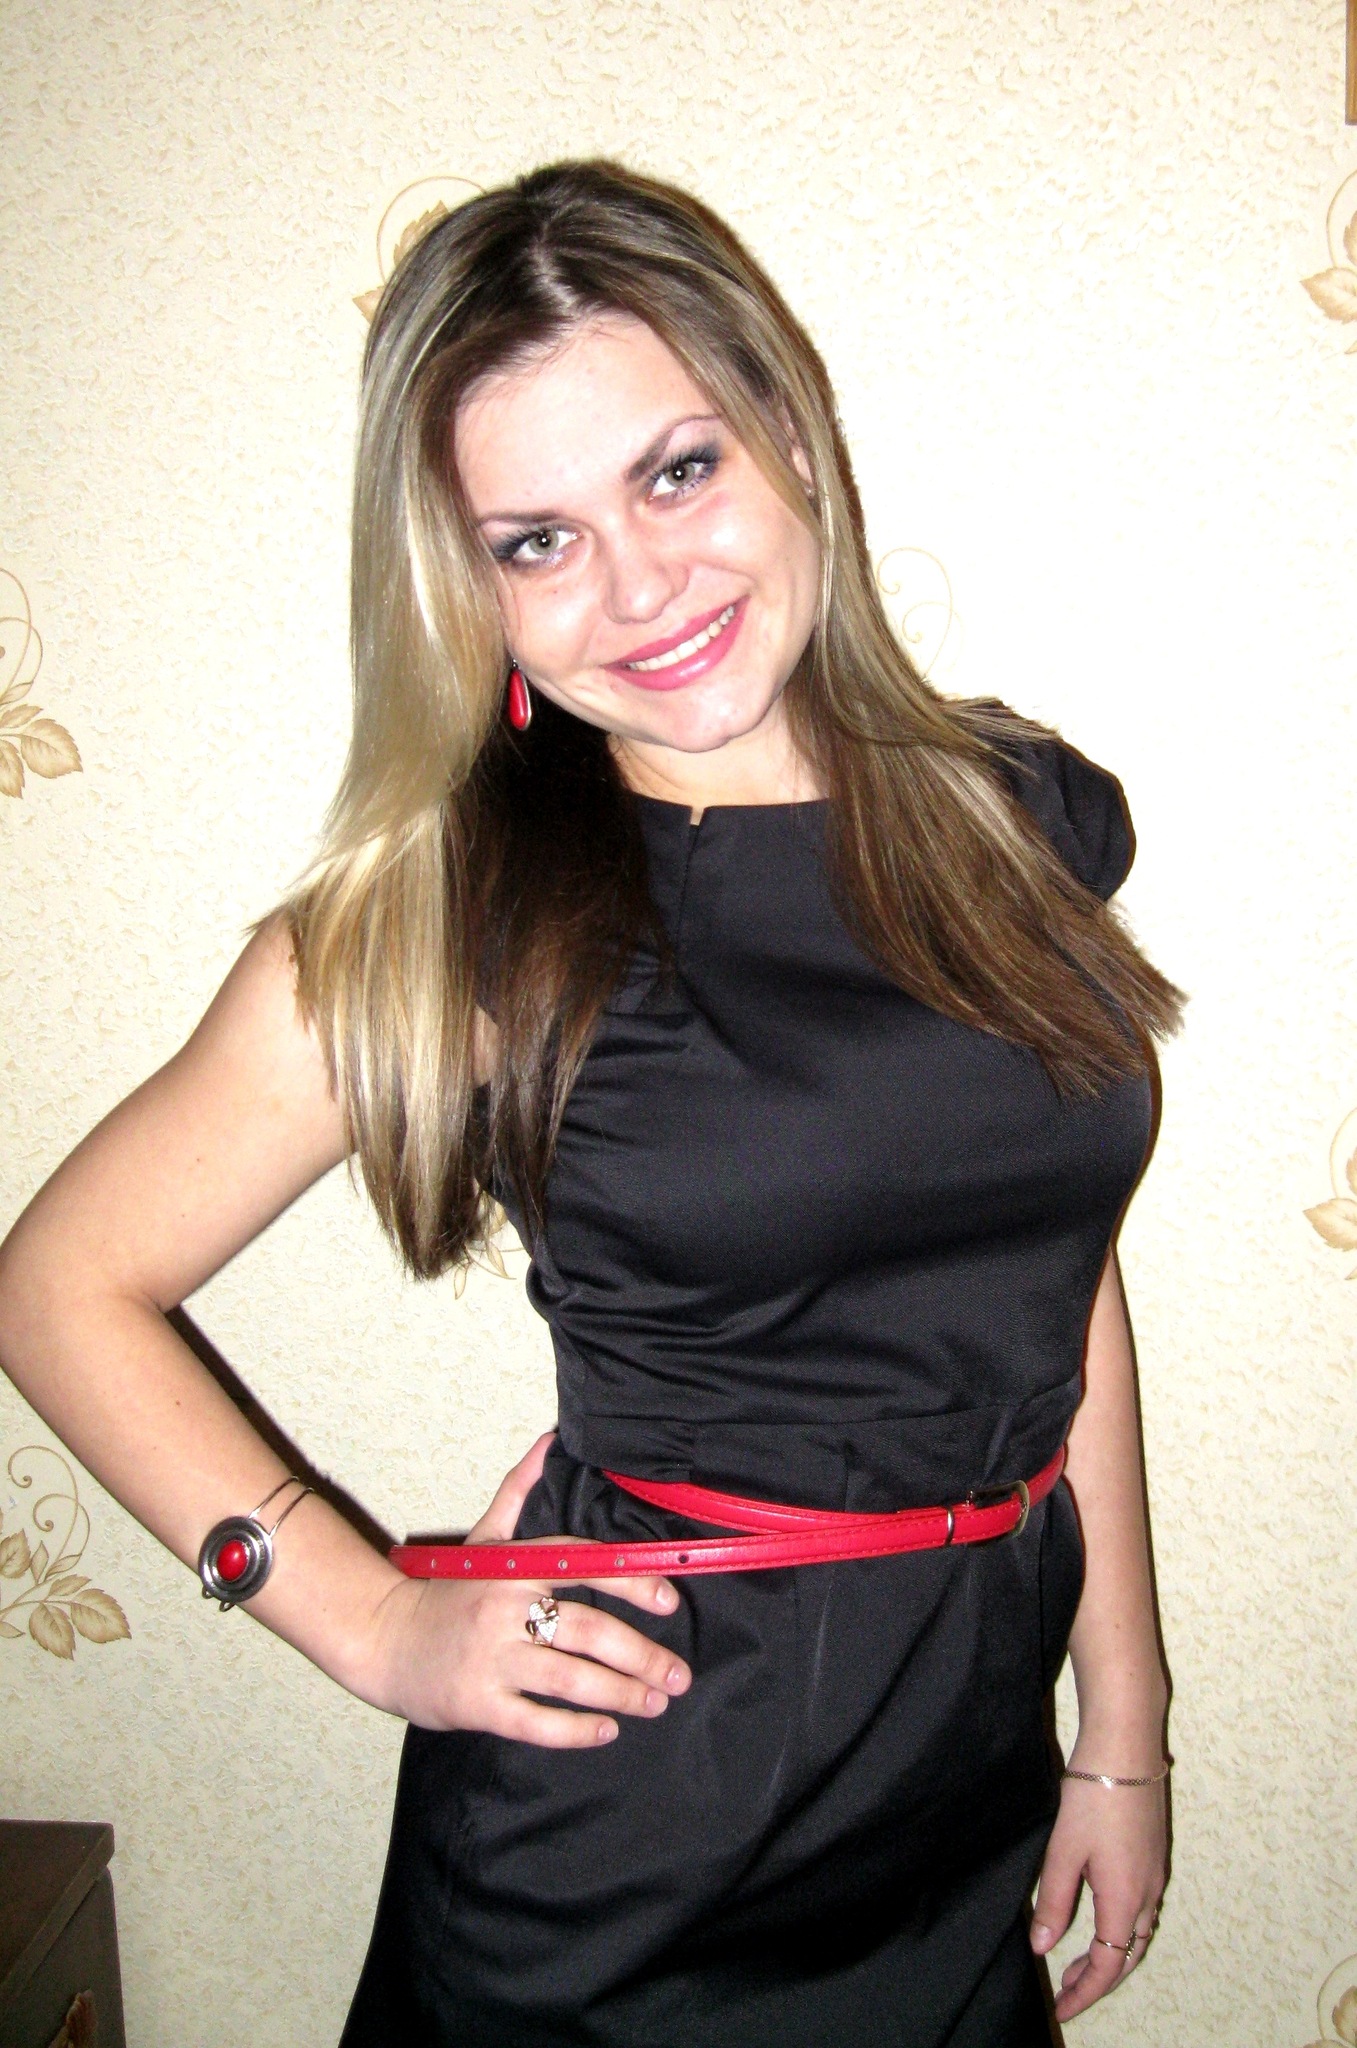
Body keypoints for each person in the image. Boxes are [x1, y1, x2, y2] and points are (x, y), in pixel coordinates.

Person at [0, 160, 1183, 2047]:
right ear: (463, 587)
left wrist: (1120, 1719)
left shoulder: (1014, 816)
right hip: (633, 1834)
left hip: (956, 1795)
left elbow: (1051, 1272)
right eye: (534, 539)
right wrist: (369, 1615)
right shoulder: (464, 924)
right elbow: (60, 1286)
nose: (637, 586)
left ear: (784, 430)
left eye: (675, 471)